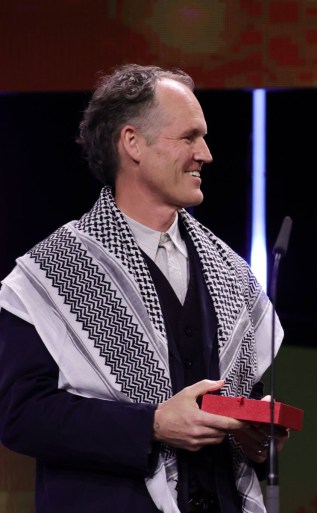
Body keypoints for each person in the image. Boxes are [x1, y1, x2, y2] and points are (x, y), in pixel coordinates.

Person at [0, 64, 288, 513]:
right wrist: (151, 424)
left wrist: (253, 434)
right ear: (132, 143)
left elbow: (239, 395)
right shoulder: (50, 275)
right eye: (189, 137)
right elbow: (22, 416)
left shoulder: (229, 270)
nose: (206, 154)